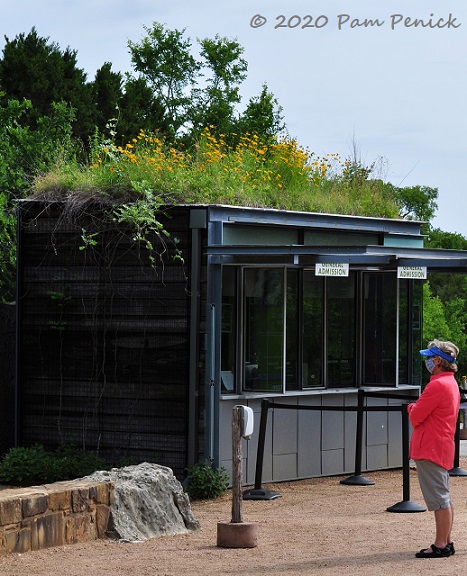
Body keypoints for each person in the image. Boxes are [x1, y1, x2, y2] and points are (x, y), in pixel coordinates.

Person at [408, 339, 460, 559]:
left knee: (439, 499)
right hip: (441, 446)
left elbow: (416, 416)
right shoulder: (451, 383)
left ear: (438, 361)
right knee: (443, 496)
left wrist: (412, 407)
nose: (427, 361)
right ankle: (445, 541)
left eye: (430, 357)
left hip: (430, 447)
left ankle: (441, 544)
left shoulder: (437, 385)